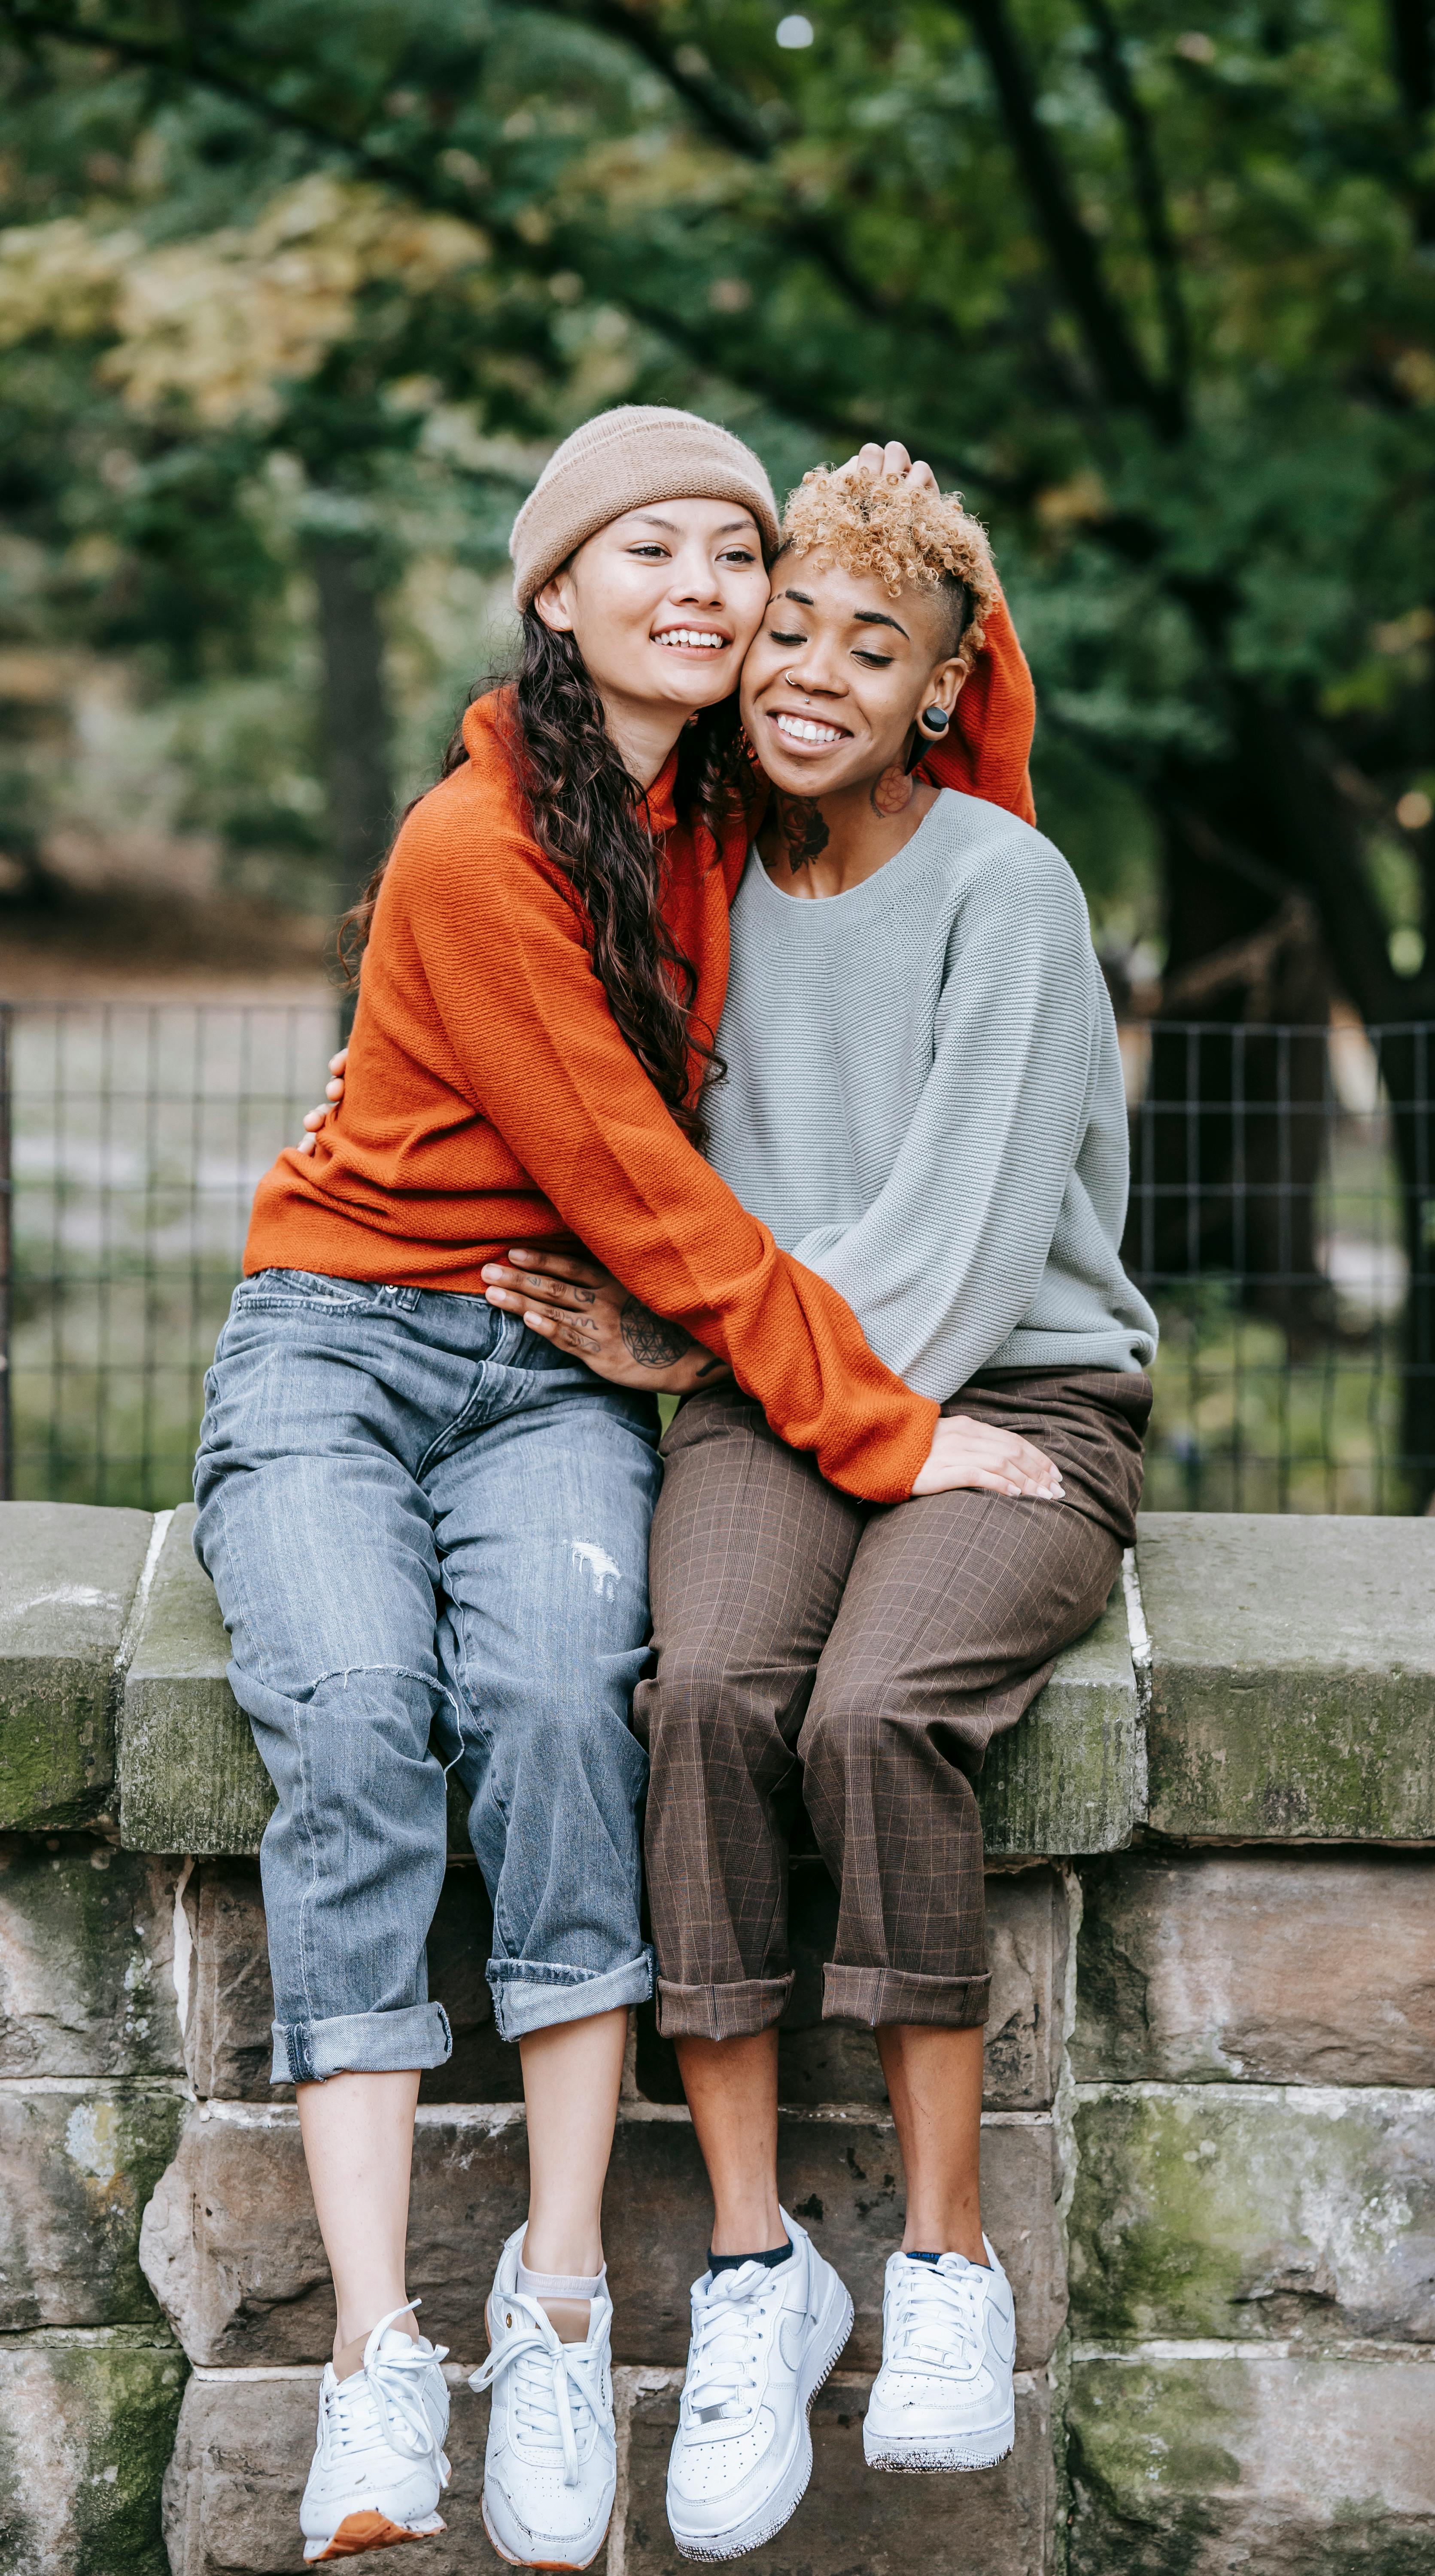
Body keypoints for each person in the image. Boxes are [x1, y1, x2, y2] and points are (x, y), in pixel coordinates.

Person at [197, 408, 1055, 2570]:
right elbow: (647, 1199)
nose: (699, 584)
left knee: (573, 1699)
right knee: (355, 1720)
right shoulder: (484, 846)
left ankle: (560, 2301)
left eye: (731, 550)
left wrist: (923, 559)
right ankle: (382, 2353)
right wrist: (874, 1422)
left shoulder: (713, 824)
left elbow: (955, 773)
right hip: (350, 1337)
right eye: (642, 548)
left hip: (557, 1374)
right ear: (552, 595)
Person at [473, 461, 1156, 2560]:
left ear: (944, 693)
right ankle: (765, 2266)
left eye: (879, 647)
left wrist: (693, 1349)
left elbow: (951, 1256)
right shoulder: (701, 876)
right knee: (697, 1701)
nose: (815, 670)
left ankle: (946, 2265)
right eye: (795, 626)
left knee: (872, 1717)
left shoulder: (1003, 891)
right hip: (771, 1396)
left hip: (1015, 1398)